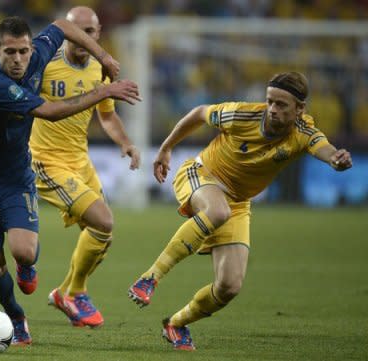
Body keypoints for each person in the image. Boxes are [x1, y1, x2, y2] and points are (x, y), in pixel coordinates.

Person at [0, 16, 140, 346]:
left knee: (23, 252)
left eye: (23, 51)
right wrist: (104, 91)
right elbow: (49, 111)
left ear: (31, 48)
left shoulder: (38, 55)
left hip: (14, 173)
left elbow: (62, 24)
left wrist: (103, 56)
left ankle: (29, 266)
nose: (18, 59)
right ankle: (15, 315)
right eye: (10, 52)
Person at [127, 71, 352, 351]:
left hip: (237, 201)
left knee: (229, 286)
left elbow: (325, 148)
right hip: (201, 174)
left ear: (300, 109)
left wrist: (336, 160)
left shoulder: (303, 133)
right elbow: (199, 113)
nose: (272, 109)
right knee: (217, 211)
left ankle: (176, 324)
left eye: (282, 105)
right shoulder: (241, 115)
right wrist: (165, 149)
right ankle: (150, 277)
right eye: (270, 101)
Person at [29, 6, 141, 329]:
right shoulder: (45, 66)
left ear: (98, 33)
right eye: (75, 33)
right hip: (47, 160)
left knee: (102, 238)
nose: (82, 40)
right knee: (103, 221)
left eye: (89, 32)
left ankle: (65, 293)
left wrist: (126, 143)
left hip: (80, 161)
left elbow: (106, 115)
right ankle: (76, 292)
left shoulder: (97, 71)